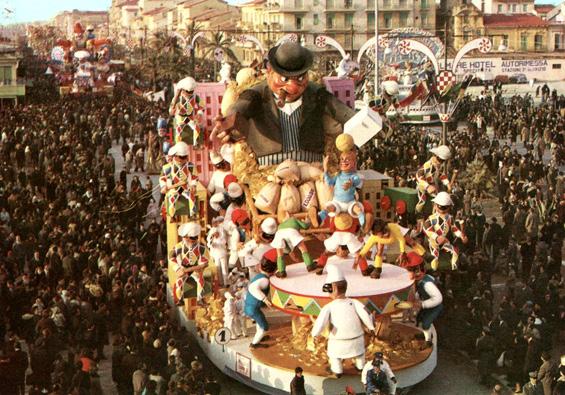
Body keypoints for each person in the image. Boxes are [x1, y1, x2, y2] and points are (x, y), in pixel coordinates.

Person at [215, 41, 355, 166]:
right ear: (270, 72)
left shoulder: (316, 93)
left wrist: (367, 124)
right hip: (269, 169)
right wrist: (228, 122)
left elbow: (345, 114)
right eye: (284, 79)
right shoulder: (256, 94)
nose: (292, 87)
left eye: (300, 78)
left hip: (311, 165)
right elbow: (240, 108)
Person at [311, 265, 375, 377]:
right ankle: (360, 367)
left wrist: (314, 334)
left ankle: (337, 370)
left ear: (334, 288)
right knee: (360, 355)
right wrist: (371, 327)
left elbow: (320, 322)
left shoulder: (328, 307)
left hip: (338, 341)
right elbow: (366, 314)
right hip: (357, 339)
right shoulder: (355, 303)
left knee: (335, 356)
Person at [357, 219, 425, 279]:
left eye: (385, 230)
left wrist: (402, 252)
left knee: (411, 243)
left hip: (399, 235)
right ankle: (378, 269)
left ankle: (423, 255)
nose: (385, 233)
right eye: (382, 232)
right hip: (390, 244)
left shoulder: (393, 228)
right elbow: (366, 248)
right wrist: (360, 255)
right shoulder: (374, 237)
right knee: (379, 251)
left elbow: (401, 240)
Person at [403, 252, 443, 345]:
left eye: (407, 271)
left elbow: (438, 298)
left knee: (426, 323)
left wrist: (422, 304)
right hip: (426, 304)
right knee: (420, 319)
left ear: (416, 270)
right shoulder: (419, 281)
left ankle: (428, 341)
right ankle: (425, 334)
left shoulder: (427, 284)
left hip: (434, 306)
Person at [423, 192, 467, 270]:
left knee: (455, 251)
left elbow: (454, 229)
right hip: (434, 243)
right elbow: (426, 228)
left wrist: (461, 235)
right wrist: (436, 237)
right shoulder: (432, 218)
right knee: (434, 258)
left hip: (444, 242)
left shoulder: (449, 218)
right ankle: (434, 271)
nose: (442, 209)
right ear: (435, 205)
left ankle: (454, 270)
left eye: (445, 207)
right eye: (440, 207)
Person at [244, 249, 278, 349]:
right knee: (264, 326)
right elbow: (253, 288)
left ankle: (259, 336)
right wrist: (265, 299)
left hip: (251, 307)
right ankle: (254, 344)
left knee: (260, 322)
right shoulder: (264, 280)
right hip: (252, 308)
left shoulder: (260, 276)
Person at [169, 222, 210, 304]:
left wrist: (197, 268)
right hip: (183, 268)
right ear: (185, 237)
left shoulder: (200, 247)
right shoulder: (178, 247)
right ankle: (179, 299)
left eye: (194, 239)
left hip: (195, 268)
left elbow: (204, 263)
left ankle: (200, 299)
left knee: (201, 280)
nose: (192, 241)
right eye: (190, 239)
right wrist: (177, 269)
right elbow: (171, 257)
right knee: (179, 281)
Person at [415, 145, 453, 213]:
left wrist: (447, 183)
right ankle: (417, 215)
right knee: (422, 201)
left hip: (432, 186)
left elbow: (441, 174)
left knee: (438, 199)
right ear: (436, 156)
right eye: (440, 160)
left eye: (443, 161)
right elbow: (418, 175)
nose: (440, 162)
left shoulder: (438, 166)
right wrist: (427, 186)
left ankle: (435, 215)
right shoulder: (428, 165)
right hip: (423, 186)